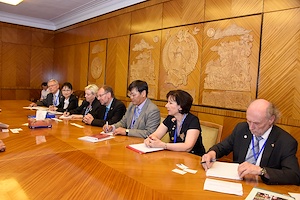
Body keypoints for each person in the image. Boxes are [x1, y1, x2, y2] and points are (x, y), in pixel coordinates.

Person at [201, 99, 300, 185]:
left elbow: (294, 175)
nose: (251, 127)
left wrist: (261, 171)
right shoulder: (242, 128)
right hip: (238, 183)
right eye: (249, 121)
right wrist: (211, 153)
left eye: (257, 123)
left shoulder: (285, 142)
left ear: (271, 119)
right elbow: (222, 147)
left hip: (262, 187)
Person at [144, 90, 205, 156]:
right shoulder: (170, 118)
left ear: (180, 106)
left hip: (193, 158)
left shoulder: (193, 120)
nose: (166, 105)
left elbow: (188, 147)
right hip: (175, 155)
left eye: (170, 103)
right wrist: (149, 140)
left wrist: (164, 145)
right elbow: (156, 135)